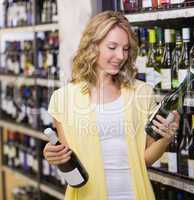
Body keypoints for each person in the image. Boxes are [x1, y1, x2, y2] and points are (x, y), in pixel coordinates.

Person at [43, 10, 180, 200]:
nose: (120, 56)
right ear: (93, 46)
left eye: (125, 49)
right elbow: (72, 167)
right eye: (112, 47)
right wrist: (54, 156)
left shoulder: (142, 93)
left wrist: (165, 138)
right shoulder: (63, 99)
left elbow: (145, 159)